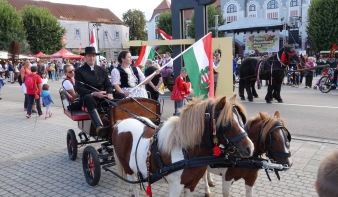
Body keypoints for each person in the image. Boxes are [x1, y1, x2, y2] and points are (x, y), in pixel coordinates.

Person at [75, 46, 114, 135]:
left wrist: (109, 93)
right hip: (89, 97)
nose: (91, 58)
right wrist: (94, 93)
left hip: (104, 96)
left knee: (121, 95)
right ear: (85, 57)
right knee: (89, 98)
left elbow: (108, 84)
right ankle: (99, 127)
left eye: (93, 56)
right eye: (89, 56)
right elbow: (78, 88)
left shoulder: (102, 69)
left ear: (95, 57)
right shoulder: (79, 71)